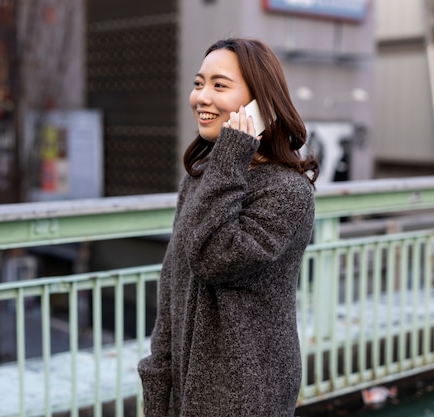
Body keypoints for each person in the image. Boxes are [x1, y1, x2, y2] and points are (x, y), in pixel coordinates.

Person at [137, 37, 319, 417]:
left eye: (220, 85)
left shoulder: (288, 191)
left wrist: (233, 154)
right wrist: (157, 391)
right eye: (199, 83)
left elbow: (214, 258)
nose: (202, 97)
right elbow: (172, 286)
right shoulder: (202, 181)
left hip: (247, 398)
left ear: (261, 103)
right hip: (184, 396)